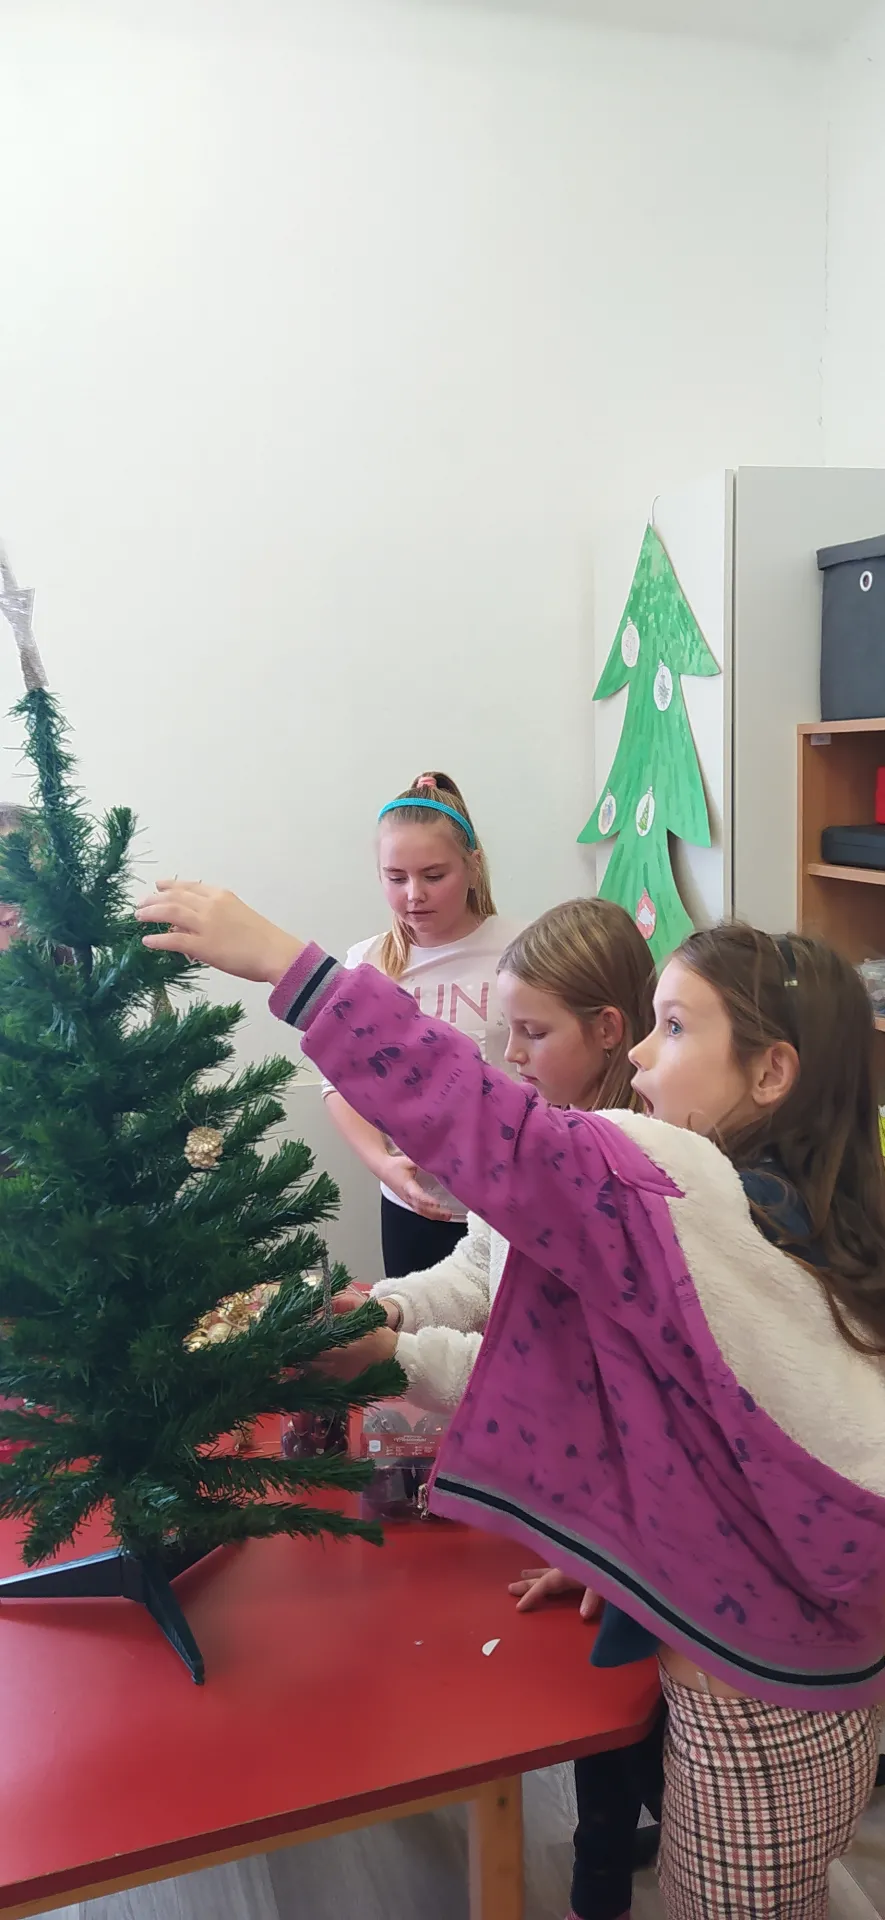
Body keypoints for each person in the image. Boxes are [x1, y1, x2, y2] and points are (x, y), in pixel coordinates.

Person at [139, 888, 885, 1920]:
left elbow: (489, 1127)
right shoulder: (773, 1223)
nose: (643, 1059)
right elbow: (683, 1429)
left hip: (756, 1702)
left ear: (771, 1074)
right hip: (796, 1679)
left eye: (675, 1029)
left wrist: (289, 967)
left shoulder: (685, 1193)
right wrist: (623, 1553)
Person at [325, 897, 664, 1917]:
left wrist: (391, 1356)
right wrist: (388, 1306)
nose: (509, 1054)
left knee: (628, 1714)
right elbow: (480, 1269)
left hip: (633, 1504)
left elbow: (547, 1370)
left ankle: (614, 1870)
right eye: (506, 1029)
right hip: (573, 1504)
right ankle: (609, 1854)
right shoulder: (535, 1136)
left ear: (607, 1030)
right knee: (601, 1706)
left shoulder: (627, 1174)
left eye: (531, 1032)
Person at [322, 771, 521, 1280]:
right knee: (416, 1329)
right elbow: (338, 1082)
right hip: (414, 1211)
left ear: (473, 866)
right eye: (396, 878)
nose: (415, 894)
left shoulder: (524, 950)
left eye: (434, 875)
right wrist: (381, 1164)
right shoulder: (367, 963)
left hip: (516, 1206)